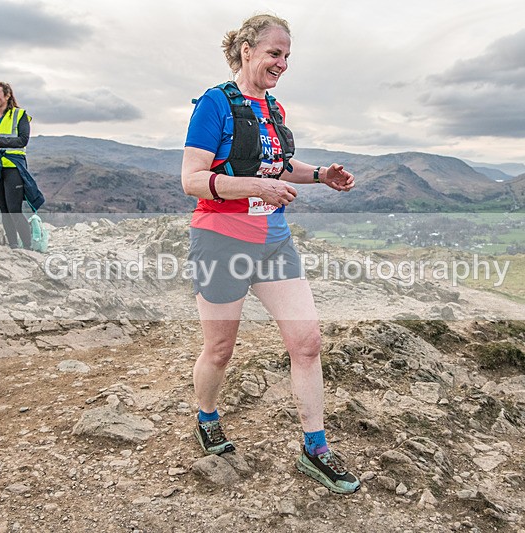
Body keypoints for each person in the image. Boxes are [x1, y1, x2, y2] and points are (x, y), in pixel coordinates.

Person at [181, 14, 360, 494]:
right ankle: (206, 416)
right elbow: (192, 179)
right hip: (220, 240)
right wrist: (257, 186)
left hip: (274, 241)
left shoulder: (273, 108)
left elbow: (278, 165)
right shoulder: (215, 104)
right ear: (247, 51)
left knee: (307, 342)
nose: (282, 63)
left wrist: (320, 175)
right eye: (274, 53)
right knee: (220, 349)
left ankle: (315, 449)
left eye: (287, 56)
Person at [0, 81, 44, 249]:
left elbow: (22, 140)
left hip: (13, 166)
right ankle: (13, 245)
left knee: (14, 209)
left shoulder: (20, 115)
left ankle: (27, 246)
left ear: (7, 95)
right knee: (4, 209)